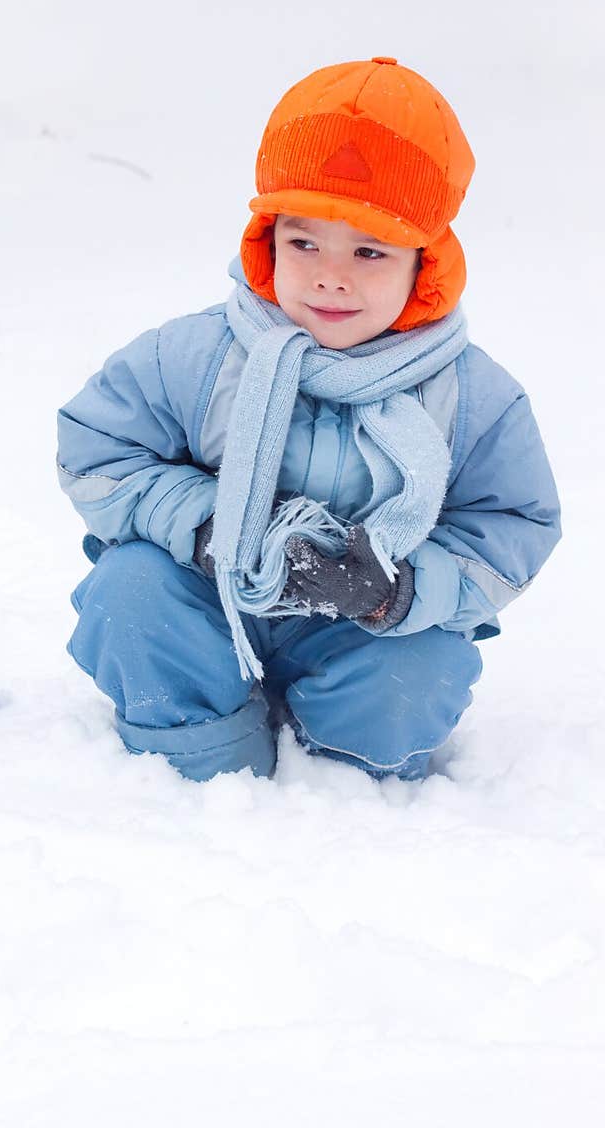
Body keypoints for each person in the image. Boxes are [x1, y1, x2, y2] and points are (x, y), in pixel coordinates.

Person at [56, 57, 560, 782]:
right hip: (211, 600)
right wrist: (208, 529)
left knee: (412, 677)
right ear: (266, 241)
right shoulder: (200, 354)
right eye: (304, 242)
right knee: (131, 593)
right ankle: (200, 763)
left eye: (369, 250)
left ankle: (346, 779)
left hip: (363, 633)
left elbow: (514, 525)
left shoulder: (471, 395)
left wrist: (400, 590)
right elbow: (96, 450)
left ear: (426, 261)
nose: (331, 274)